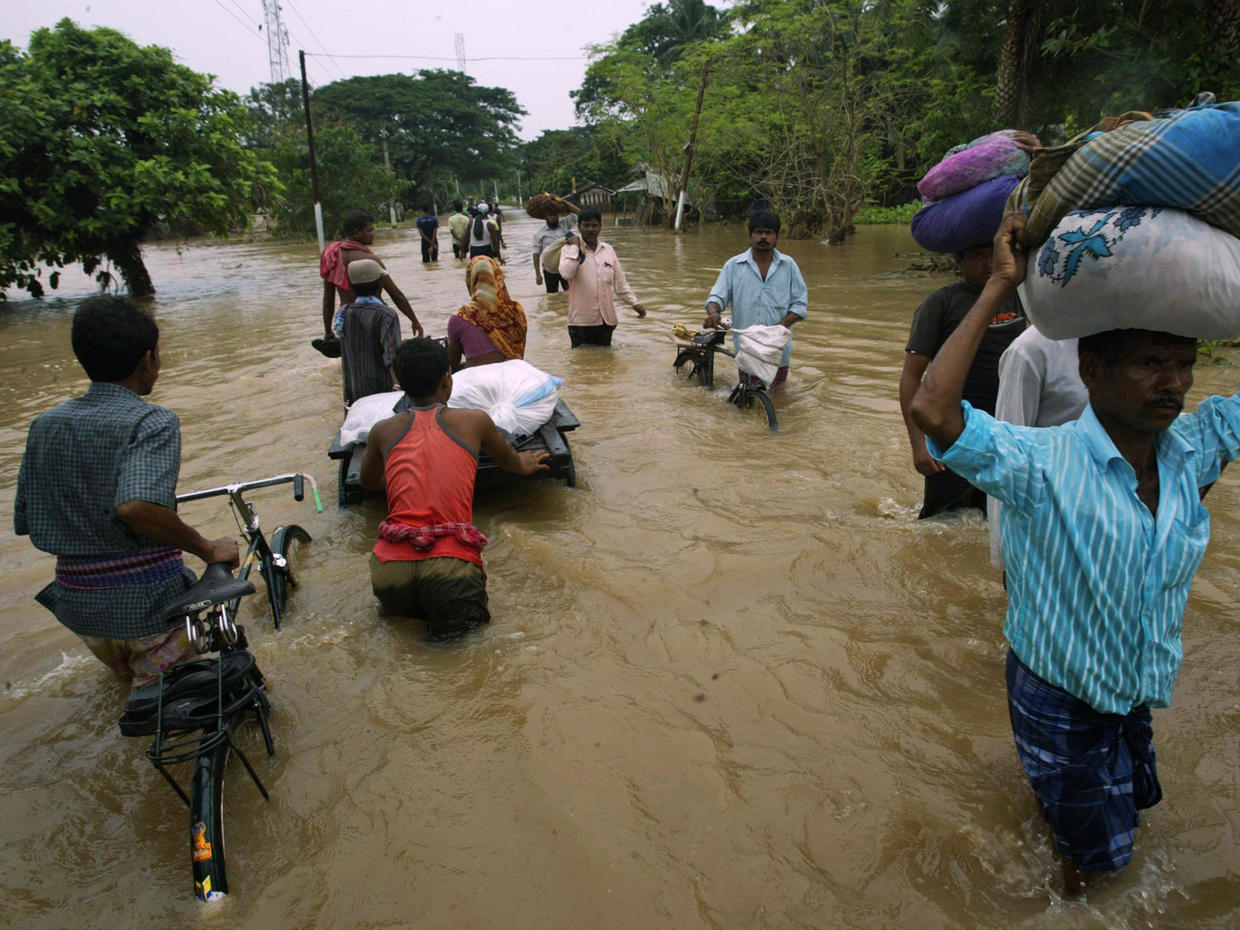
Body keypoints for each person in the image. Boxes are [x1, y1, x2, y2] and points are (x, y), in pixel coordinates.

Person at [909, 211, 1240, 896]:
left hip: (1131, 692)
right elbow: (935, 411)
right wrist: (1001, 283)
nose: (1174, 383)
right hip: (1060, 695)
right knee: (1096, 872)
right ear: (1090, 369)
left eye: (1183, 364)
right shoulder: (1043, 463)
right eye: (1151, 363)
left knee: (1125, 821)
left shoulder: (1190, 454)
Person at [13, 296, 240, 693]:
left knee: (134, 699)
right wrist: (205, 547)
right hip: (147, 605)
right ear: (146, 360)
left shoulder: (44, 424)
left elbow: (28, 520)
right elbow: (136, 507)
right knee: (186, 707)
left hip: (80, 605)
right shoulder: (151, 420)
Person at [358, 338, 550, 640]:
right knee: (462, 655)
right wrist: (525, 463)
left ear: (399, 383)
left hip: (389, 568)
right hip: (451, 570)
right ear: (447, 379)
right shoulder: (474, 421)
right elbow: (510, 461)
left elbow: (367, 481)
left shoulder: (382, 430)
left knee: (400, 642)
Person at [899, 241, 1025, 518]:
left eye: (994, 254)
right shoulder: (940, 304)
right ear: (957, 258)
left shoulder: (1020, 297)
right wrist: (919, 445)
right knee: (941, 522)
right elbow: (911, 376)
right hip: (950, 435)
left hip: (1003, 432)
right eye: (977, 254)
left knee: (994, 518)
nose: (988, 263)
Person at [987, 327, 1088, 570]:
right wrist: (1006, 555)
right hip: (1051, 515)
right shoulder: (1029, 350)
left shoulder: (1130, 340)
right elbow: (1008, 455)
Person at [703, 210, 808, 389]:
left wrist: (779, 328)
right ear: (750, 236)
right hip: (747, 348)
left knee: (777, 398)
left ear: (776, 236)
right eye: (759, 232)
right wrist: (714, 312)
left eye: (768, 233)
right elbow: (716, 297)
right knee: (746, 397)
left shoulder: (788, 266)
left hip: (778, 350)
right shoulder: (734, 266)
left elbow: (799, 304)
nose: (763, 237)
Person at [318, 209, 422, 356]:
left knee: (353, 360)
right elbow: (395, 294)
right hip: (374, 318)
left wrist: (328, 331)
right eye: (370, 230)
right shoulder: (369, 260)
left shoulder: (332, 256)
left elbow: (328, 299)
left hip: (347, 318)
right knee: (384, 357)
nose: (373, 233)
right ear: (357, 233)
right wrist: (414, 320)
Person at [557, 207, 646, 347]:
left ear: (600, 227)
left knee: (606, 363)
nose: (591, 229)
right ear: (579, 228)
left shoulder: (608, 250)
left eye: (594, 225)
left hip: (607, 322)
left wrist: (634, 303)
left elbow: (620, 282)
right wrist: (575, 248)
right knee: (581, 364)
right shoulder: (568, 250)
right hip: (581, 323)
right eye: (586, 225)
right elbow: (566, 273)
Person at [447, 256, 527, 369]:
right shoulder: (516, 311)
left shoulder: (461, 317)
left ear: (471, 280)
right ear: (498, 277)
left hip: (476, 381)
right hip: (513, 377)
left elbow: (452, 363)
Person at [340, 259, 402, 404]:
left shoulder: (344, 313)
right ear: (380, 285)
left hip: (354, 391)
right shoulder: (386, 314)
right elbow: (392, 357)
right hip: (381, 391)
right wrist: (400, 391)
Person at [532, 196, 580, 293]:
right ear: (546, 217)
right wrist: (538, 274)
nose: (553, 217)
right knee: (552, 296)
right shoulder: (539, 234)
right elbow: (536, 254)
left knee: (572, 293)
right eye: (550, 215)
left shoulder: (565, 225)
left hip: (566, 267)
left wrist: (562, 201)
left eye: (555, 215)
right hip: (550, 270)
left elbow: (579, 213)